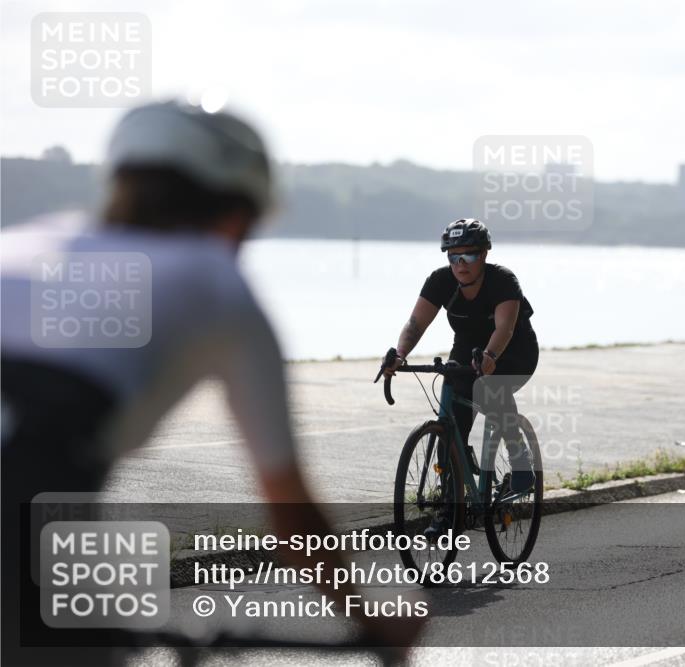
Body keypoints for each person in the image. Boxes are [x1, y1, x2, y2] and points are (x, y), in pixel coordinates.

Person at [0, 100, 421, 665]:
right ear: (235, 211)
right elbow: (289, 507)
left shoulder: (26, 243)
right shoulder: (216, 281)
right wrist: (372, 616)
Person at [384, 219, 539, 536]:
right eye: (453, 256)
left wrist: (491, 357)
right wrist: (399, 354)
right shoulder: (440, 282)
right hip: (467, 350)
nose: (461, 264)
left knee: (487, 389)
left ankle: (520, 463)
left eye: (468, 256)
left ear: (484, 254)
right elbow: (415, 325)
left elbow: (505, 328)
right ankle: (449, 509)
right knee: (449, 422)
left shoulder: (503, 281)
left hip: (513, 351)